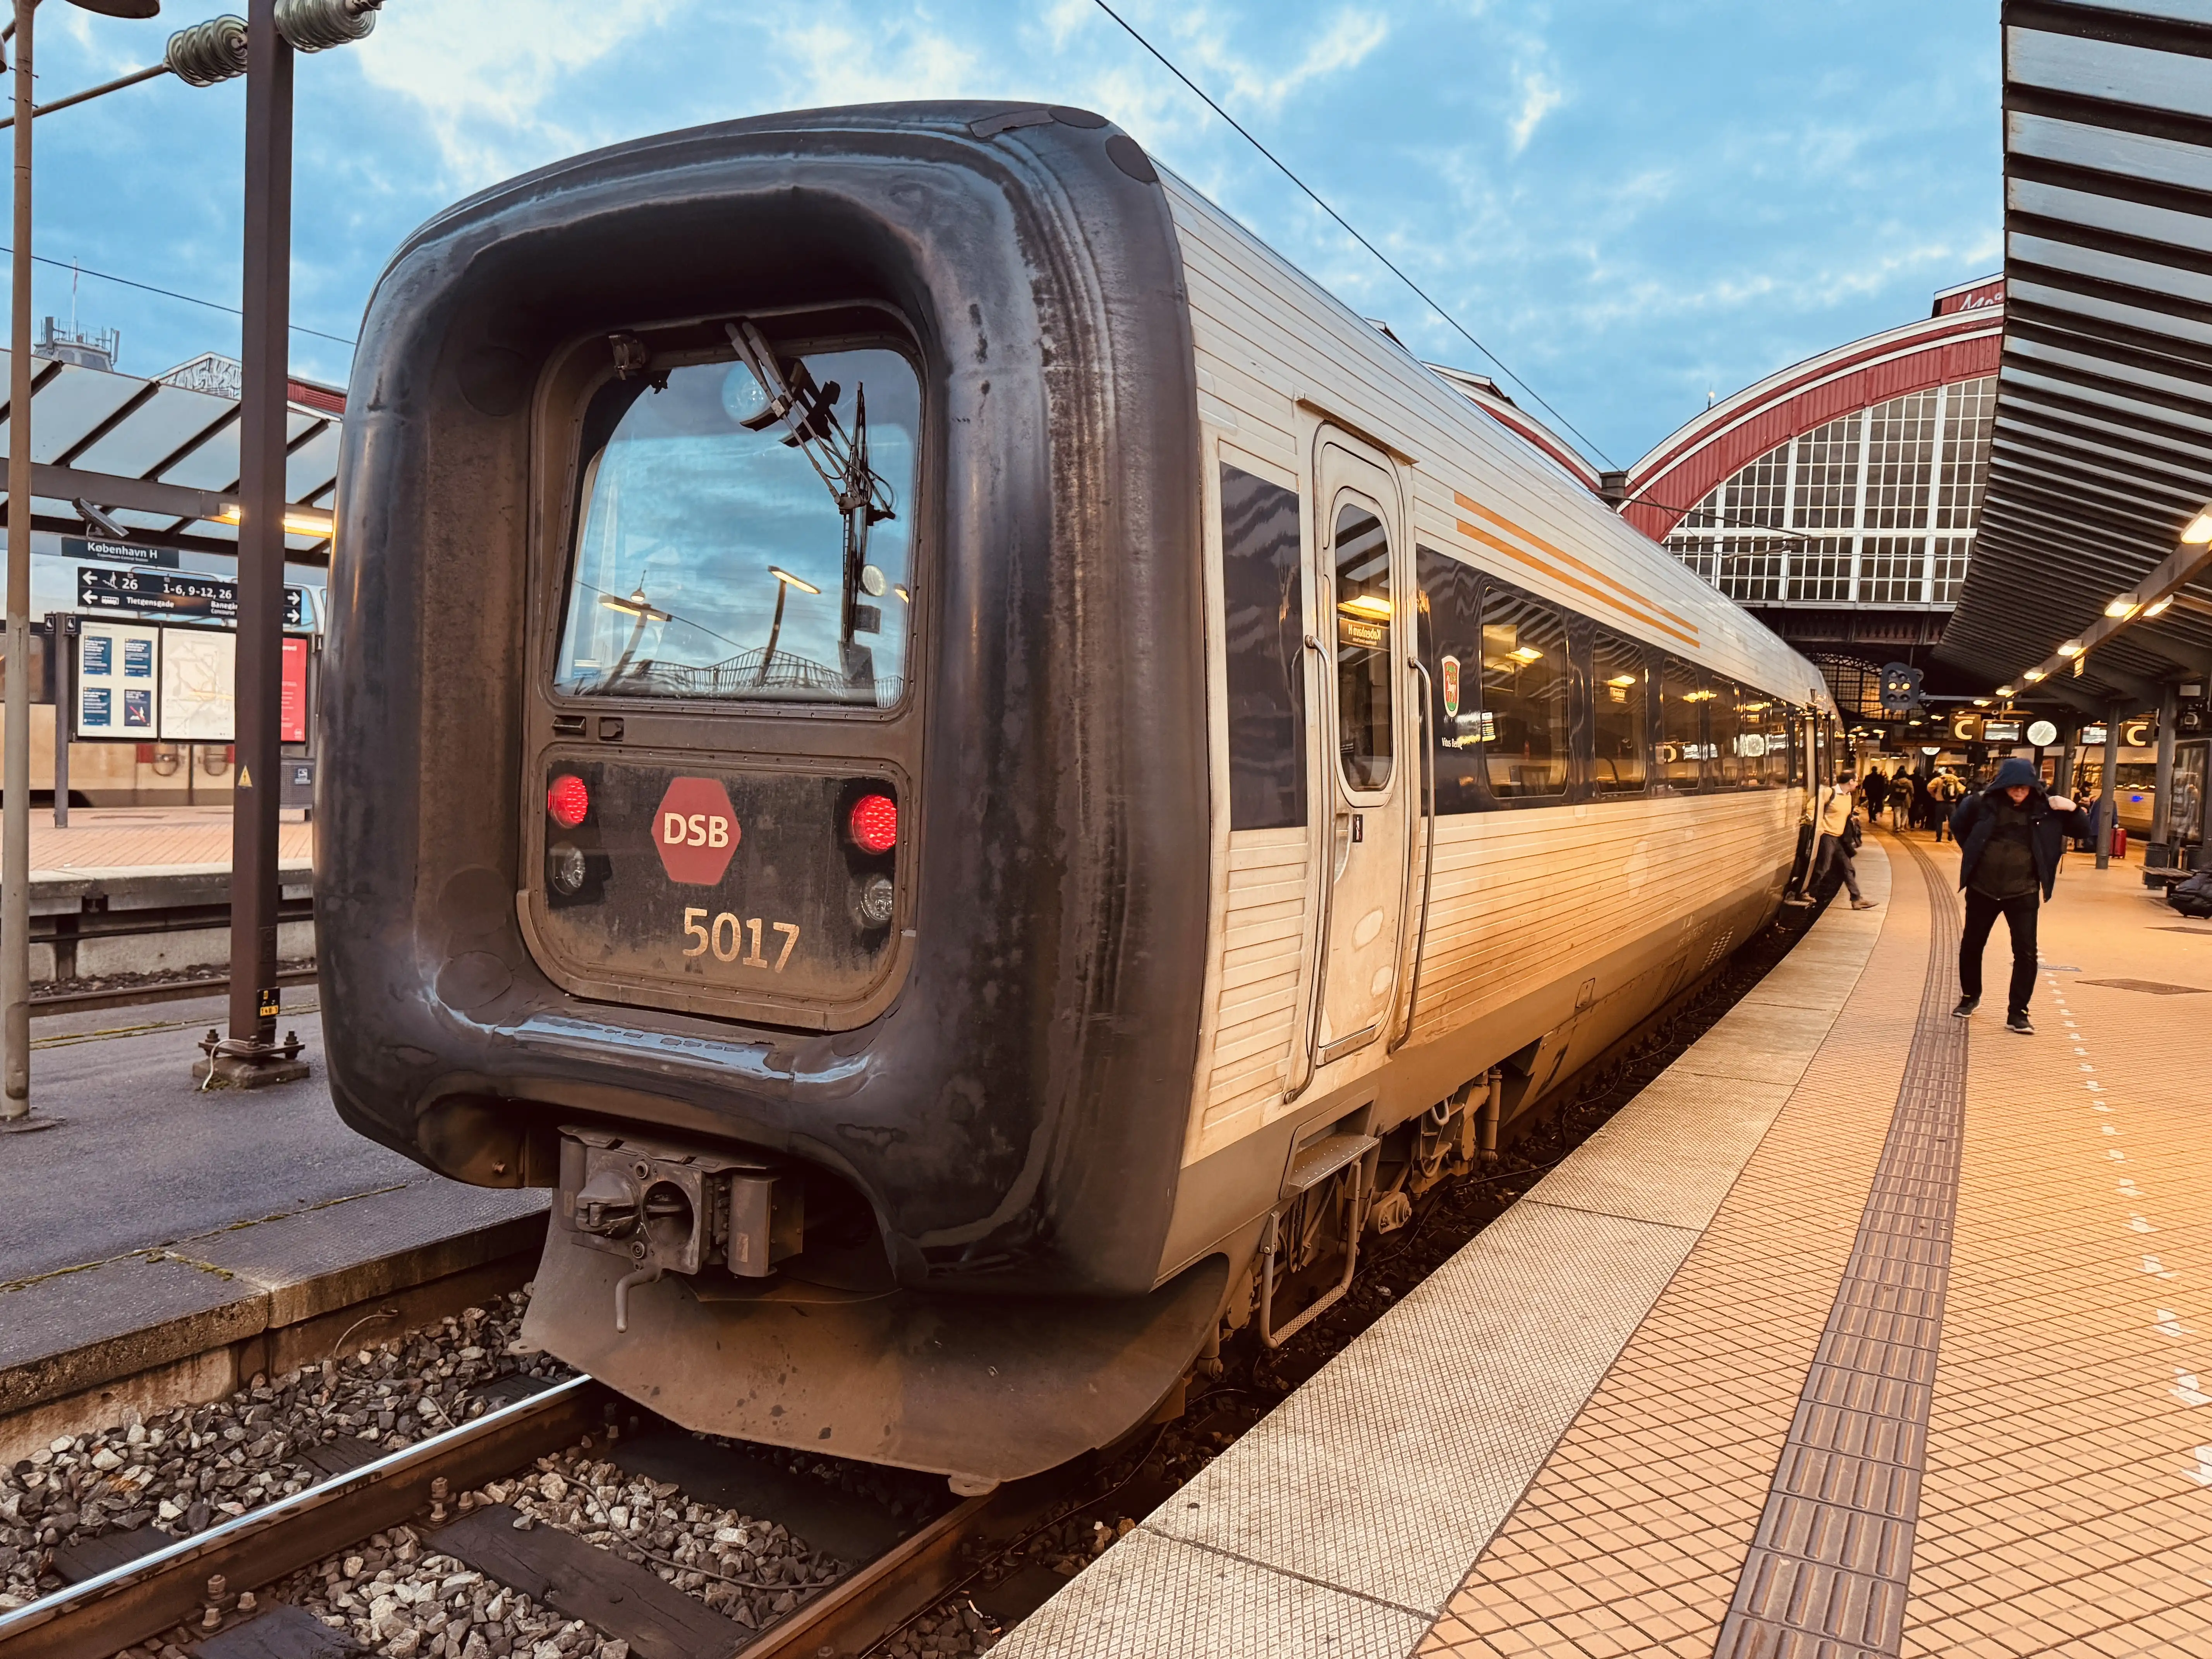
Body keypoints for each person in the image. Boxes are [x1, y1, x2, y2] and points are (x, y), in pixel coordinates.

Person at [1950, 757, 2089, 1035]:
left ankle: (2018, 1013)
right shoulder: (1981, 804)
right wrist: (1975, 853)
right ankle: (1970, 997)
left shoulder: (2047, 809)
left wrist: (2074, 809)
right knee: (1972, 944)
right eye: (2013, 786)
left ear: (2033, 787)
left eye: (2024, 787)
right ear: (2002, 785)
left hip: (2023, 890)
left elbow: (2084, 831)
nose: (2019, 791)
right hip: (1982, 888)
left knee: (2026, 953)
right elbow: (1959, 825)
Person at [1809, 775, 1879, 910]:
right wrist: (1818, 826)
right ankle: (1807, 892)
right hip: (1828, 836)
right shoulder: (1830, 792)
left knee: (1848, 868)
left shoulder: (1848, 797)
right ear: (1850, 781)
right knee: (1823, 867)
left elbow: (1844, 815)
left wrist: (1853, 817)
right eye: (1857, 781)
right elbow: (1812, 806)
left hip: (1840, 838)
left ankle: (1857, 899)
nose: (1858, 784)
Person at [1929, 770, 1963, 843]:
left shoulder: (1939, 780)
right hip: (1952, 804)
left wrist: (1934, 795)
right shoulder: (1956, 781)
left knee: (1939, 821)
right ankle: (1950, 834)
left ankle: (1939, 837)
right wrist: (1956, 795)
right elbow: (1963, 790)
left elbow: (1929, 787)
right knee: (1952, 820)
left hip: (1940, 803)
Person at [1862, 767, 1891, 831]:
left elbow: (1864, 785)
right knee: (1878, 806)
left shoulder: (1868, 777)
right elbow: (1883, 786)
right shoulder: (1880, 777)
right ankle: (1873, 814)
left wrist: (1867, 791)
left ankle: (1871, 817)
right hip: (1878, 794)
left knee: (1871, 806)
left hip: (1870, 794)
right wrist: (1883, 793)